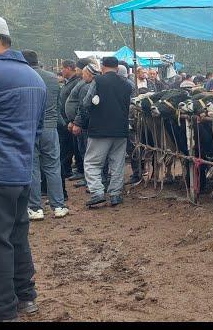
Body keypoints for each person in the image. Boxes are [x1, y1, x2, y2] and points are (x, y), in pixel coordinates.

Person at [0, 14, 46, 321]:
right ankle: (26, 297)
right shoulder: (35, 78)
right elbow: (36, 132)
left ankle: (2, 309)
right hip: (21, 171)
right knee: (17, 235)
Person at [22, 50, 68, 221]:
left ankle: (35, 208)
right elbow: (58, 105)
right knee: (53, 166)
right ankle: (59, 206)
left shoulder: (22, 77)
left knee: (33, 168)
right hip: (50, 128)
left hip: (29, 128)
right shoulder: (52, 78)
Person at [80, 57, 132, 207]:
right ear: (117, 67)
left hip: (99, 129)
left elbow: (86, 102)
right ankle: (115, 194)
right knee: (117, 163)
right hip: (121, 129)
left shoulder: (98, 81)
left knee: (92, 162)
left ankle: (97, 193)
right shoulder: (127, 84)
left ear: (102, 67)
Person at [58, 60, 84, 186]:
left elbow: (79, 103)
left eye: (62, 68)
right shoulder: (69, 82)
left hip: (73, 121)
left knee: (77, 147)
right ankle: (70, 169)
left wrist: (73, 120)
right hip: (67, 120)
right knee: (69, 146)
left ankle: (81, 170)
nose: (61, 71)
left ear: (69, 68)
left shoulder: (77, 82)